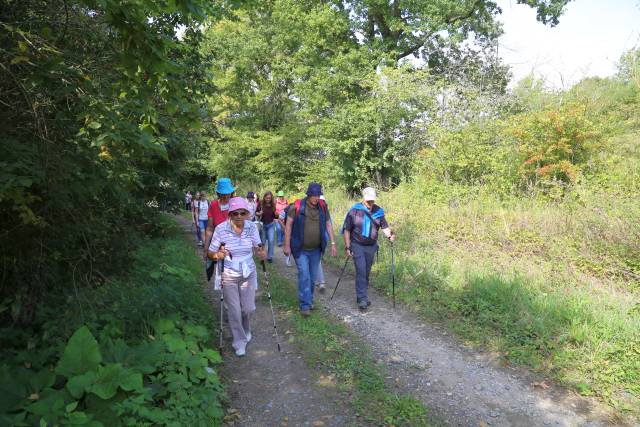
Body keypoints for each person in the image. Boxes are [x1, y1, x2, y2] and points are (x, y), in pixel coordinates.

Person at [207, 197, 266, 356]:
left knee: (248, 308)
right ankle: (239, 342)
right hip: (229, 274)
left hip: (248, 272)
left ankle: (246, 328)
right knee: (234, 310)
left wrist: (261, 252)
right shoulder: (221, 229)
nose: (239, 216)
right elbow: (211, 253)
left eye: (242, 213)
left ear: (247, 213)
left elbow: (257, 246)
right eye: (235, 213)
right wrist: (218, 254)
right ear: (230, 214)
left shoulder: (251, 227)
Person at [283, 183, 337, 316]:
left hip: (316, 249)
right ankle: (304, 305)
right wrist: (286, 245)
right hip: (300, 249)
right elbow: (288, 225)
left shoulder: (323, 207)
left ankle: (309, 299)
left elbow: (328, 224)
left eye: (318, 195)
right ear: (308, 195)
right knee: (304, 275)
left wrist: (333, 243)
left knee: (312, 278)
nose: (316, 198)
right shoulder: (297, 207)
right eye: (313, 195)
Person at [342, 187, 395, 311]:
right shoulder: (354, 211)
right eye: (368, 201)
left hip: (371, 246)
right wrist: (348, 246)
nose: (370, 203)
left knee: (366, 272)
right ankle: (362, 299)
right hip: (357, 245)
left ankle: (363, 296)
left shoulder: (378, 211)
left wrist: (390, 235)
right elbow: (347, 230)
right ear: (363, 199)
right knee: (361, 270)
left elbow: (384, 226)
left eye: (372, 201)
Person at [203, 177, 235, 258]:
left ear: (231, 192)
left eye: (227, 193)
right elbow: (210, 228)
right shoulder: (213, 205)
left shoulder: (235, 204)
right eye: (222, 193)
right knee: (210, 265)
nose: (225, 196)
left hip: (233, 244)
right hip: (216, 242)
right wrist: (206, 249)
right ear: (218, 193)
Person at [259, 191, 278, 262]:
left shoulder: (273, 205)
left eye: (269, 198)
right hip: (263, 225)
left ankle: (270, 257)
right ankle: (262, 256)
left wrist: (276, 214)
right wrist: (259, 213)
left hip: (271, 224)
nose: (268, 199)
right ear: (264, 198)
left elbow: (275, 216)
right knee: (263, 241)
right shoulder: (261, 204)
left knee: (271, 240)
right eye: (267, 198)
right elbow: (256, 213)